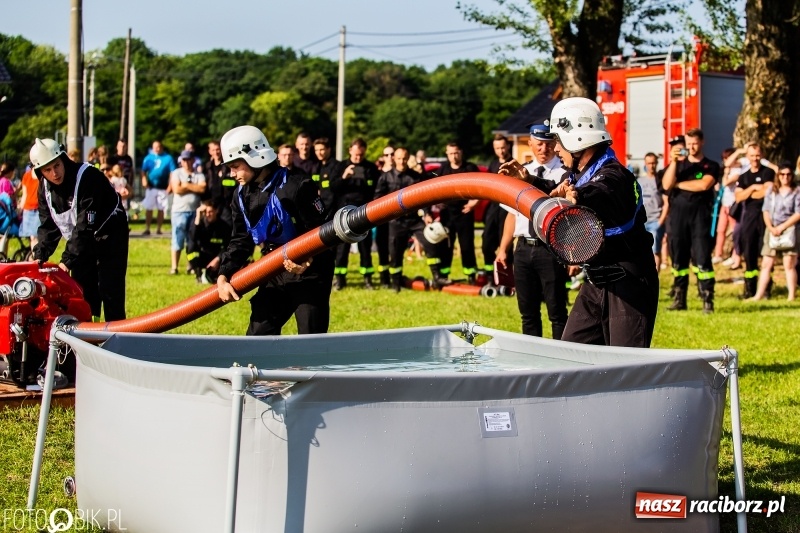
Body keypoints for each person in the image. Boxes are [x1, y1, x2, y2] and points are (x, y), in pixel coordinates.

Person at [502, 98, 658, 347]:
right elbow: (560, 191)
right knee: (572, 352)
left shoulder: (613, 176)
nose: (555, 150)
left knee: (625, 367)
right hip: (596, 281)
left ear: (577, 141)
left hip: (629, 284)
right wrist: (529, 180)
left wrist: (578, 197)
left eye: (558, 142)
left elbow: (599, 192)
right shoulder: (583, 174)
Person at [216, 125, 333, 335]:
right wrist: (224, 274)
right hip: (273, 268)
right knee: (258, 335)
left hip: (310, 273)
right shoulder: (240, 196)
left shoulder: (296, 187)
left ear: (255, 158)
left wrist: (309, 259)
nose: (231, 173)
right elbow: (241, 240)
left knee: (311, 342)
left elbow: (324, 231)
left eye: (235, 166)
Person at [29, 138, 129, 321]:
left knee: (110, 290)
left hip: (110, 235)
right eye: (47, 170)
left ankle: (116, 339)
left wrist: (66, 261)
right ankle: (88, 339)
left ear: (64, 159)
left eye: (57, 166)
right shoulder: (44, 189)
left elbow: (85, 226)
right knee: (82, 291)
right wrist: (39, 257)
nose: (55, 173)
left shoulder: (88, 177)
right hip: (83, 241)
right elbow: (49, 227)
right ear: (40, 172)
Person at [496, 121, 569, 339]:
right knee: (527, 312)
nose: (543, 149)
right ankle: (532, 358)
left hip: (551, 249)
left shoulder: (564, 173)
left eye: (548, 144)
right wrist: (503, 249)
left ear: (555, 143)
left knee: (557, 311)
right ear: (530, 143)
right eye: (539, 144)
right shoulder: (522, 171)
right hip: (524, 248)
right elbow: (512, 214)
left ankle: (562, 358)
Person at [661, 130, 720, 313]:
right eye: (688, 144)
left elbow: (703, 185)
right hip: (678, 217)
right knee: (679, 261)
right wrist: (673, 162)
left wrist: (678, 185)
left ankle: (707, 300)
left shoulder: (710, 165)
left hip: (700, 218)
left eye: (694, 143)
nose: (691, 147)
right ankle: (680, 299)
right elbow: (665, 185)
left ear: (702, 142)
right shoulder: (678, 165)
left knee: (702, 259)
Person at [373, 147, 429, 292]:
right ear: (394, 159)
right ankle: (396, 284)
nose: (402, 161)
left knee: (429, 243)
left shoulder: (415, 177)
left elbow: (424, 197)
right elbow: (377, 199)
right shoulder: (385, 177)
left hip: (414, 219)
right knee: (395, 253)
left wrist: (427, 214)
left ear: (408, 158)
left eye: (404, 158)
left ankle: (437, 277)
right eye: (399, 158)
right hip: (395, 221)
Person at [330, 138, 379, 289]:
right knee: (342, 249)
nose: (358, 158)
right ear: (350, 150)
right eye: (356, 154)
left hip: (364, 212)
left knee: (365, 247)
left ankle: (367, 278)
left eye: (361, 155)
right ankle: (340, 279)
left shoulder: (371, 168)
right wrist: (344, 177)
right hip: (344, 213)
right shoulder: (340, 166)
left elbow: (376, 190)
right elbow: (333, 187)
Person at [431, 141, 481, 283]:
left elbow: (481, 187)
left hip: (465, 212)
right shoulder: (442, 170)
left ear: (461, 153)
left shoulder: (470, 168)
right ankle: (443, 275)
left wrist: (474, 202)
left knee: (466, 245)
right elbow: (433, 188)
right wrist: (438, 203)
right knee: (446, 246)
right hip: (447, 214)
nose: (454, 156)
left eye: (456, 153)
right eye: (451, 153)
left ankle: (471, 275)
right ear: (447, 154)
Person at [749, 163, 800, 301]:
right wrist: (771, 227)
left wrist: (782, 227)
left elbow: (798, 213)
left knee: (789, 264)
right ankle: (758, 295)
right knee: (766, 263)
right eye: (782, 174)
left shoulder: (797, 191)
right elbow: (765, 210)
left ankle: (791, 296)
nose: (785, 177)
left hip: (789, 229)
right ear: (778, 176)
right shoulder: (772, 190)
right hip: (771, 228)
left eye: (788, 174)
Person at [733, 142, 774, 298]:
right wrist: (752, 189)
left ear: (761, 156)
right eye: (751, 155)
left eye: (757, 155)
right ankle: (750, 288)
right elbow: (738, 197)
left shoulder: (768, 172)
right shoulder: (744, 176)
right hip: (749, 216)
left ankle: (766, 288)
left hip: (765, 215)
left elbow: (766, 192)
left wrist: (751, 192)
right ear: (747, 157)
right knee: (749, 251)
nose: (755, 159)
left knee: (764, 251)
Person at [169, 150, 207, 274]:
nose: (186, 162)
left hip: (194, 212)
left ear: (193, 160)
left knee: (191, 240)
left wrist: (185, 185)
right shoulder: (176, 173)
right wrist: (192, 187)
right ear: (181, 161)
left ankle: (190, 266)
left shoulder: (199, 174)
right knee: (177, 239)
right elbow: (177, 189)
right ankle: (174, 267)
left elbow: (202, 188)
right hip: (179, 211)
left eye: (189, 159)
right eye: (184, 160)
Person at [483, 134, 514, 277]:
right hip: (493, 206)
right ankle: (490, 275)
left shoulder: (513, 164)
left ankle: (507, 276)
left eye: (503, 147)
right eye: (497, 148)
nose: (501, 151)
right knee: (487, 242)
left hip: (507, 208)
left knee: (506, 244)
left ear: (508, 146)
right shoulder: (493, 164)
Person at [187, 199, 232, 284]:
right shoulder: (199, 223)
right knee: (191, 246)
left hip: (217, 258)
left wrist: (218, 259)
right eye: (205, 212)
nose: (207, 215)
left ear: (216, 211)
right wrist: (198, 216)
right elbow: (193, 237)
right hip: (203, 256)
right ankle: (197, 272)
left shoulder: (224, 226)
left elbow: (227, 246)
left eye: (210, 212)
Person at [638, 152, 668, 271]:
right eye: (649, 163)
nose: (652, 166)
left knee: (655, 250)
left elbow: (666, 202)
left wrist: (661, 221)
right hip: (642, 221)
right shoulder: (640, 180)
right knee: (641, 250)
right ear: (645, 164)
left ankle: (656, 277)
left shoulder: (660, 180)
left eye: (654, 163)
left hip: (656, 220)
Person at [141, 140, 176, 235]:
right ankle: (147, 228)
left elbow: (172, 172)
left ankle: (159, 228)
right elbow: (143, 171)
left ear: (162, 147)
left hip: (163, 187)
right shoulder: (148, 158)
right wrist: (144, 180)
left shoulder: (168, 158)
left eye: (158, 147)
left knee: (161, 208)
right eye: (155, 147)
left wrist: (170, 185)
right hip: (151, 186)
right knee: (149, 208)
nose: (157, 149)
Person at [204, 139, 235, 225]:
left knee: (227, 226)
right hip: (211, 204)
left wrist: (224, 178)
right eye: (213, 150)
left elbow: (234, 183)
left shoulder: (228, 166)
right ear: (210, 151)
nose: (216, 152)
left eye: (217, 149)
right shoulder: (207, 167)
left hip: (226, 204)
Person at [310, 137, 341, 220]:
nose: (319, 153)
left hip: (332, 211)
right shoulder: (315, 167)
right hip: (318, 209)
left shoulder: (336, 166)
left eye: (321, 150)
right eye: (316, 150)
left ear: (328, 149)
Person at [18, 165, 40, 251]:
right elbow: (25, 194)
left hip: (39, 210)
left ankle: (37, 257)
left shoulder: (42, 175)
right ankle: (34, 257)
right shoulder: (26, 176)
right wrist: (20, 209)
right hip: (28, 210)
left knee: (37, 237)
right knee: (33, 237)